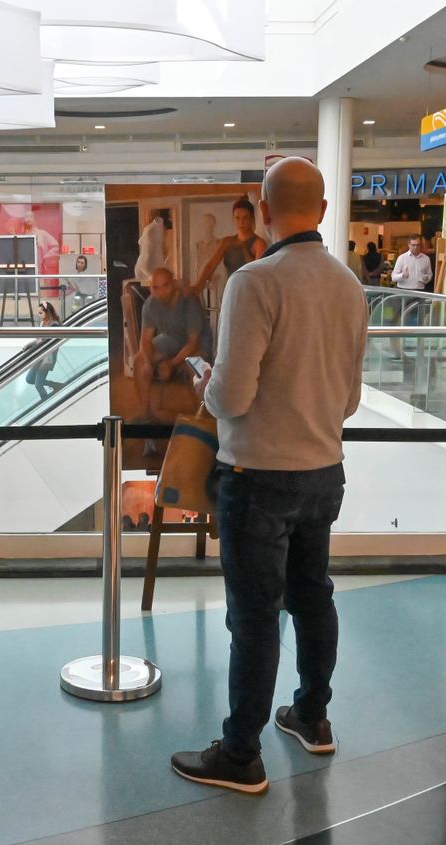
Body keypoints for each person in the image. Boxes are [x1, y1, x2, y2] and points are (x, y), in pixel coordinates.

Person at [170, 157, 368, 794]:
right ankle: (312, 717)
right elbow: (350, 401)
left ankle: (240, 754)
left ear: (262, 208)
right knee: (314, 597)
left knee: (253, 615)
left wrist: (204, 380)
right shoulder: (350, 287)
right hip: (323, 471)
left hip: (258, 477)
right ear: (326, 210)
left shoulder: (253, 282)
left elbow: (231, 397)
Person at [132, 268, 211, 422]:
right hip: (170, 339)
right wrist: (149, 362)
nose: (161, 291)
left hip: (198, 343)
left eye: (166, 285)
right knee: (139, 360)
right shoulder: (150, 305)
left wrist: (172, 364)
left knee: (196, 365)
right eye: (156, 287)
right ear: (150, 288)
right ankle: (145, 412)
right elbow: (145, 339)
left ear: (174, 284)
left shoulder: (190, 301)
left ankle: (203, 416)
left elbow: (193, 342)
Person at [189, 196, 267, 294]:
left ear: (251, 219)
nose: (241, 222)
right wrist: (198, 286)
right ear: (233, 219)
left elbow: (257, 273)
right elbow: (211, 265)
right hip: (231, 289)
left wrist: (244, 250)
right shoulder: (227, 241)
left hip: (251, 291)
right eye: (237, 218)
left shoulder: (259, 244)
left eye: (245, 218)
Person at [25, 301, 62, 399]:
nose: (39, 315)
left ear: (48, 312)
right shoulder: (43, 323)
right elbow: (39, 340)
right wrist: (29, 345)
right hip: (39, 356)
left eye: (41, 313)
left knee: (38, 385)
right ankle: (55, 385)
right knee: (29, 379)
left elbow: (50, 342)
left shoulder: (54, 325)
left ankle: (46, 401)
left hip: (46, 358)